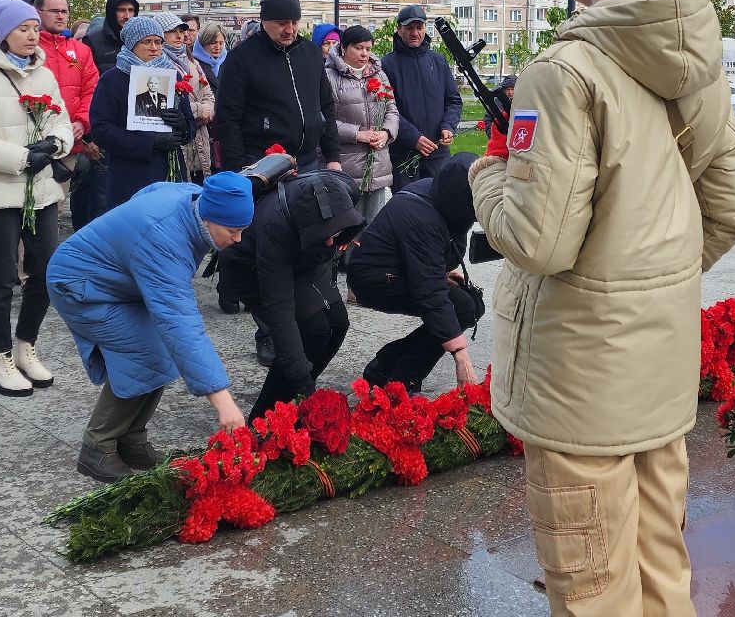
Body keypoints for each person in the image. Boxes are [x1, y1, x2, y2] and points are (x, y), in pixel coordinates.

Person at [471, 0, 735, 616]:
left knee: (592, 587)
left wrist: (488, 174)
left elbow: (537, 241)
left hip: (580, 386)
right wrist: (649, 284)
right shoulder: (699, 65)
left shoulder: (562, 71)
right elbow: (734, 204)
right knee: (661, 564)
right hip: (658, 372)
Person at [48, 173, 256, 482]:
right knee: (146, 353)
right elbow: (181, 325)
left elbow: (150, 190)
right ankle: (98, 446)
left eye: (243, 231)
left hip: (119, 284)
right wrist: (224, 403)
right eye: (233, 231)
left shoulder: (195, 198)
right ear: (210, 217)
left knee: (161, 351)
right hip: (80, 285)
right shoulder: (164, 240)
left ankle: (131, 440)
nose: (238, 239)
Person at [0, 0, 74, 397]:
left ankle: (26, 344)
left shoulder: (43, 74)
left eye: (35, 28)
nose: (31, 35)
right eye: (23, 28)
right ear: (4, 33)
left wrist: (54, 147)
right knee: (1, 275)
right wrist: (22, 158)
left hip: (39, 191)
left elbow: (62, 121)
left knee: (46, 270)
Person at [218, 167, 364, 420]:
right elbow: (280, 310)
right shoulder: (274, 225)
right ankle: (266, 417)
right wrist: (303, 383)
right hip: (252, 270)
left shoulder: (344, 190)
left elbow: (329, 240)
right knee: (312, 330)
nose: (333, 242)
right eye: (329, 234)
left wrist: (333, 237)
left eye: (336, 234)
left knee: (338, 323)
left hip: (307, 252)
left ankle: (296, 397)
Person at [346, 153, 482, 394]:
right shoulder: (422, 216)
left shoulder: (443, 198)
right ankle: (403, 379)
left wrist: (442, 271)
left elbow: (436, 251)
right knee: (460, 308)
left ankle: (385, 364)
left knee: (472, 303)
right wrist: (461, 356)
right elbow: (430, 293)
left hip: (402, 269)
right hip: (374, 278)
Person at [213, 0, 341, 172]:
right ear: (264, 21)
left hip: (309, 161)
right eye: (282, 23)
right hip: (262, 164)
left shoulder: (311, 53)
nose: (289, 30)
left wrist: (333, 156)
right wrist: (235, 170)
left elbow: (326, 106)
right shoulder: (241, 58)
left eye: (294, 22)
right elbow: (228, 117)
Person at [88, 15, 192, 212]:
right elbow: (101, 130)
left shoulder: (172, 76)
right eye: (147, 42)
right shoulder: (112, 79)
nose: (154, 48)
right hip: (129, 175)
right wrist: (149, 142)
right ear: (132, 43)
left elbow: (190, 126)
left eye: (158, 42)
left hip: (169, 172)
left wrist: (182, 124)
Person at [35, 0, 102, 227]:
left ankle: (44, 263)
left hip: (69, 144)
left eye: (64, 11)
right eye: (54, 11)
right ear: (38, 12)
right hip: (33, 143)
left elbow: (92, 90)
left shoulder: (81, 50)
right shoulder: (30, 48)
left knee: (53, 210)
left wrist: (82, 122)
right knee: (27, 209)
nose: (61, 16)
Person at [381, 4, 462, 189]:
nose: (415, 33)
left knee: (441, 206)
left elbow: (453, 100)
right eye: (409, 28)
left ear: (426, 28)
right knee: (408, 209)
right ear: (399, 29)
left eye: (419, 27)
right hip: (404, 155)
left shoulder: (438, 61)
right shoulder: (387, 65)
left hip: (437, 153)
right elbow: (385, 110)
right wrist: (413, 138)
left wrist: (448, 126)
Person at [325, 25, 397, 221]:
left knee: (373, 229)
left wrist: (386, 133)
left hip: (377, 167)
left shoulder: (379, 75)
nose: (364, 54)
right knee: (347, 231)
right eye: (358, 48)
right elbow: (325, 119)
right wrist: (357, 133)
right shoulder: (329, 77)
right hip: (346, 166)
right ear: (343, 48)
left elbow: (392, 109)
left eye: (368, 48)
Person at [162, 17, 216, 181]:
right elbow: (170, 105)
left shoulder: (193, 62)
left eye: (181, 31)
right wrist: (201, 111)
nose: (180, 36)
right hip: (178, 141)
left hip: (200, 140)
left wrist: (208, 111)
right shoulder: (160, 64)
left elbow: (209, 96)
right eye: (172, 32)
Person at [82, 0, 138, 73]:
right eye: (121, 10)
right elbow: (84, 73)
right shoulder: (92, 40)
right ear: (111, 12)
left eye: (130, 10)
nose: (127, 16)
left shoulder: (141, 39)